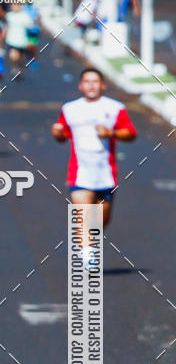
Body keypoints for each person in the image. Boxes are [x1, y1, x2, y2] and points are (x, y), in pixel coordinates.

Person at [52, 68, 136, 256]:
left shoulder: (115, 108)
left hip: (105, 175)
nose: (91, 85)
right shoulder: (70, 109)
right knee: (82, 215)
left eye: (95, 81)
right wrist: (57, 133)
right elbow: (62, 135)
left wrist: (111, 133)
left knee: (100, 220)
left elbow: (130, 133)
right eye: (87, 81)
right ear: (81, 86)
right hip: (80, 174)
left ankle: (87, 244)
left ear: (103, 85)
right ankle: (87, 253)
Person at [4, 2, 34, 76]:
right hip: (12, 40)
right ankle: (14, 68)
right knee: (13, 55)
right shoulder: (9, 15)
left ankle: (20, 68)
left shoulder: (25, 16)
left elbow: (30, 26)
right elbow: (7, 26)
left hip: (22, 41)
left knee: (21, 57)